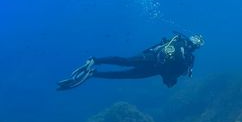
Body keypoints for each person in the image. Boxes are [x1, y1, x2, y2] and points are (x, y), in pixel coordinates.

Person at [57, 33, 204, 90]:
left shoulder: (187, 55)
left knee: (124, 67)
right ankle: (94, 65)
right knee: (125, 68)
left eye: (197, 42)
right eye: (196, 41)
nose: (194, 43)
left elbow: (175, 76)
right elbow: (173, 77)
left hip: (152, 64)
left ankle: (93, 68)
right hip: (153, 64)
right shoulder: (185, 51)